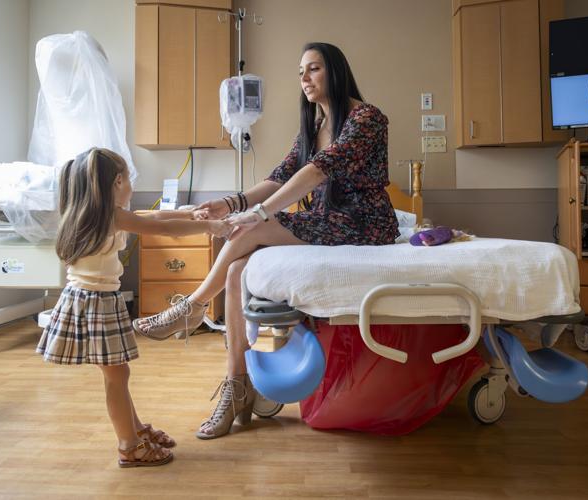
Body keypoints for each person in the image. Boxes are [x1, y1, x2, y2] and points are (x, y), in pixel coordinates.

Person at [133, 42, 398, 439]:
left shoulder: (367, 118)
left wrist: (259, 214)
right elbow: (279, 176)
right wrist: (229, 203)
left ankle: (194, 306)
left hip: (364, 224)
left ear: (336, 72)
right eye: (301, 72)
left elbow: (315, 172)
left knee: (251, 229)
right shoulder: (312, 125)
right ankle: (237, 386)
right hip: (326, 220)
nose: (304, 79)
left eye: (314, 69)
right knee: (238, 269)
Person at [36, 147, 230, 467]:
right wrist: (210, 228)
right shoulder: (111, 216)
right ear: (115, 183)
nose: (132, 186)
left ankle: (135, 429)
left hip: (92, 300)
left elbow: (152, 217)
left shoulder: (93, 212)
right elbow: (161, 228)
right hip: (95, 303)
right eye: (129, 179)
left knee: (118, 374)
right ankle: (129, 445)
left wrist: (191, 213)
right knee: (116, 376)